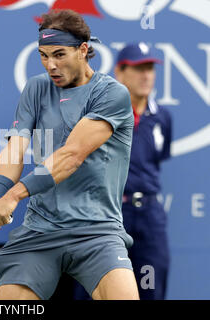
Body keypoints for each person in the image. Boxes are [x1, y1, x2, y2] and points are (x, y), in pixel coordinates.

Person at [0, 9, 139, 300]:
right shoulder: (35, 88)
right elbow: (14, 149)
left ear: (83, 50)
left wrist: (13, 197)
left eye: (59, 54)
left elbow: (71, 156)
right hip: (40, 230)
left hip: (97, 231)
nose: (50, 65)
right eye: (43, 55)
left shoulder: (112, 94)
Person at [74, 42, 172, 300]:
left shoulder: (162, 117)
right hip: (106, 215)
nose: (146, 76)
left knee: (150, 287)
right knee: (95, 290)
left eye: (150, 68)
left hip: (149, 217)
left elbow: (156, 160)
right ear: (120, 72)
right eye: (139, 68)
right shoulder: (99, 116)